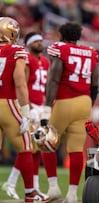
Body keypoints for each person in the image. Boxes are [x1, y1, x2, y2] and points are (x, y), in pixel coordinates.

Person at [44, 22, 99, 203]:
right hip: (84, 101)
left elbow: (54, 78)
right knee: (76, 150)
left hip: (64, 101)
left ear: (61, 35)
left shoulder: (59, 49)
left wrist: (46, 106)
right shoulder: (90, 52)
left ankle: (53, 188)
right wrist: (89, 102)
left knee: (47, 143)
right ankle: (72, 194)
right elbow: (95, 83)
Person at [0, 17, 50, 202]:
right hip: (7, 102)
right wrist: (26, 112)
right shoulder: (17, 51)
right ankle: (30, 193)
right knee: (27, 147)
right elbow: (20, 83)